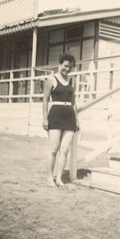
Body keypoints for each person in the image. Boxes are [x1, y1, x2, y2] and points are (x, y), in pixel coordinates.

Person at [42, 53, 79, 188]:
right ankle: (49, 178)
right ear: (60, 64)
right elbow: (45, 99)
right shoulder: (51, 79)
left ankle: (58, 179)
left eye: (70, 67)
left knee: (64, 150)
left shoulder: (72, 80)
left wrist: (77, 119)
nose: (67, 69)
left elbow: (73, 101)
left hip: (69, 116)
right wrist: (45, 118)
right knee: (54, 148)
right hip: (55, 114)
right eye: (65, 66)